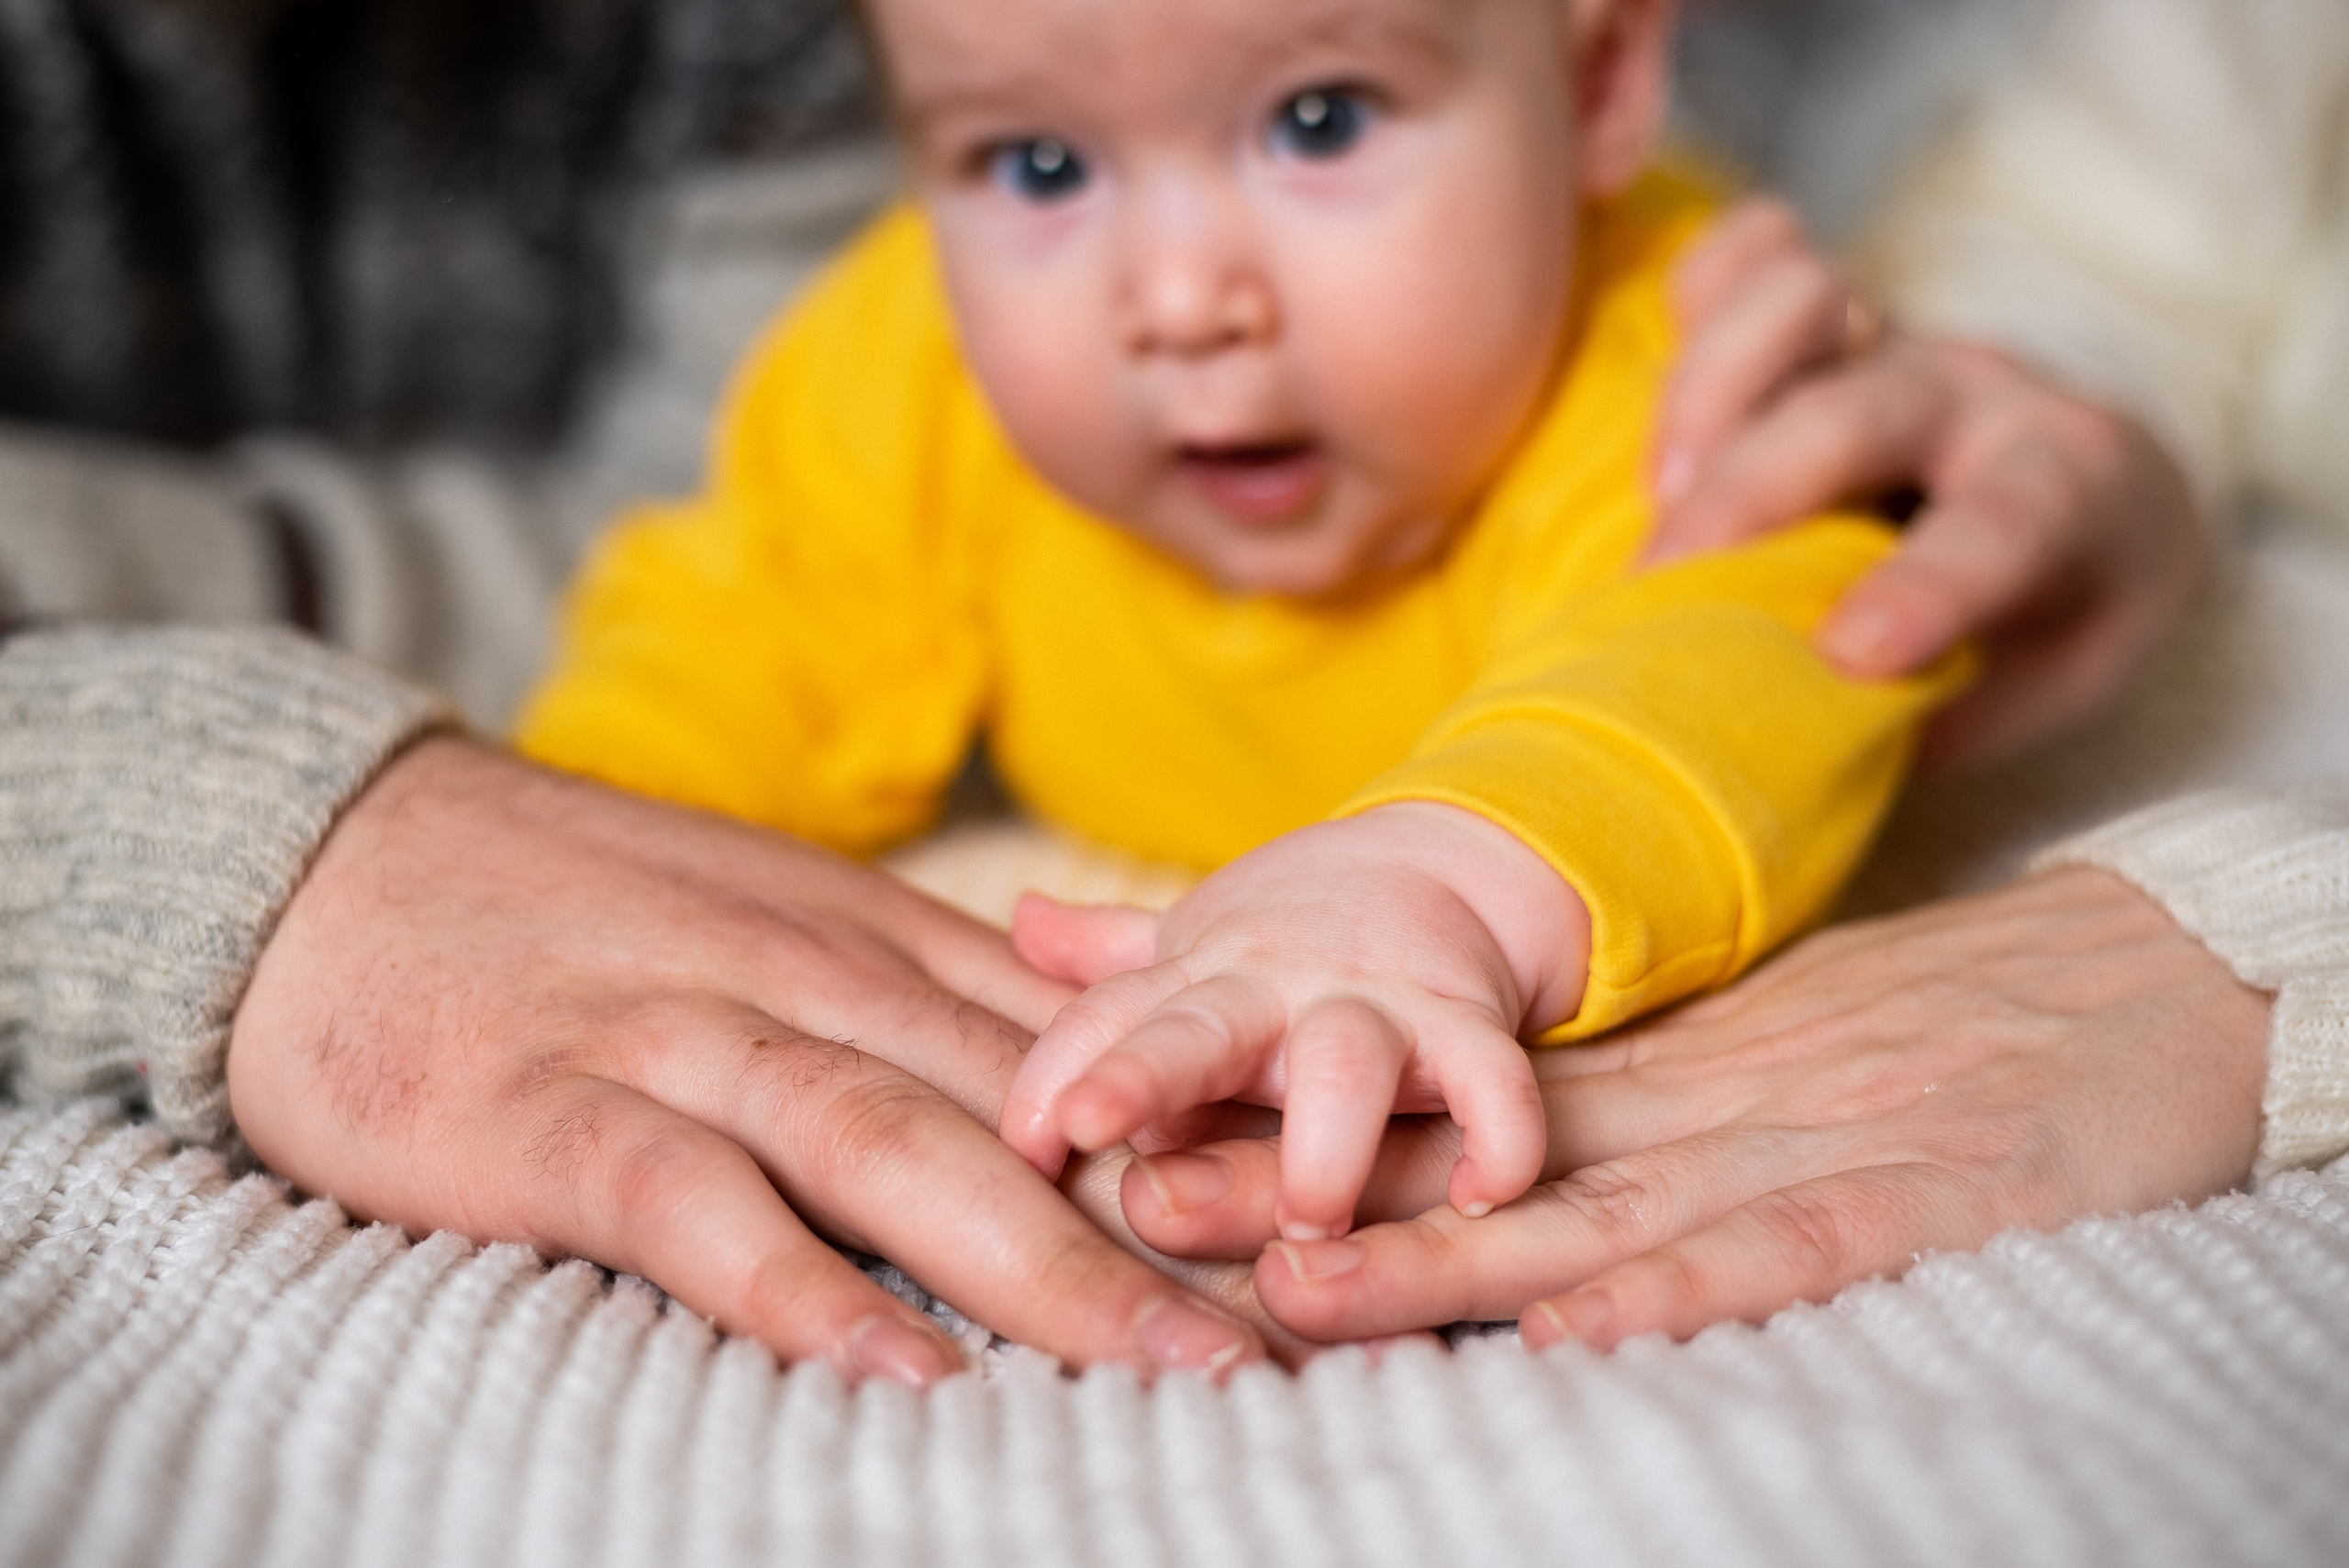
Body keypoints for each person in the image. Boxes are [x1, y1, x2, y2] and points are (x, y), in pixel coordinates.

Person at [514, 0, 1962, 1249]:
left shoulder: (1679, 372)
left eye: (1319, 122)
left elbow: (1745, 652)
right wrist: (572, 866)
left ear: (1594, 88)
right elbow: (736, 634)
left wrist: (1440, 886)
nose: (1183, 299)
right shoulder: (910, 360)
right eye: (1040, 163)